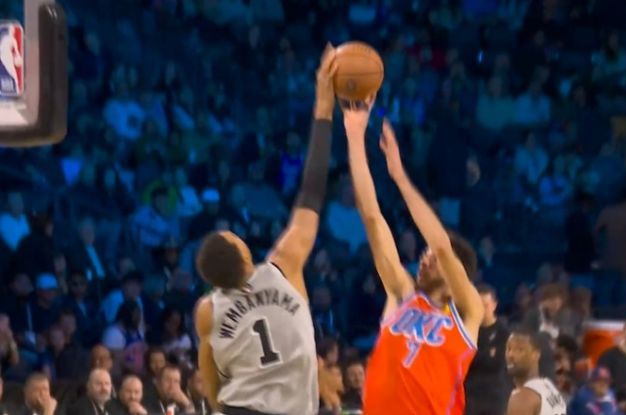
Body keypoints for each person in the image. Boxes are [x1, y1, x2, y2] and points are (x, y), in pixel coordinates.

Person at [193, 44, 337, 415]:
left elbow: (211, 385)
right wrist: (324, 106)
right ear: (243, 252)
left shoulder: (207, 310)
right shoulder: (282, 267)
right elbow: (312, 190)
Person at [343, 105, 484, 414]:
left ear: (456, 271)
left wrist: (400, 177)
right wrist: (354, 136)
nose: (424, 260)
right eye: (423, 256)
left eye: (430, 259)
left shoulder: (467, 312)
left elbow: (442, 246)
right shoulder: (402, 294)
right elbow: (372, 216)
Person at [465, 284, 511, 415]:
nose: (482, 310)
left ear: (494, 305)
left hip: (495, 400)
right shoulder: (467, 330)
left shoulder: (504, 333)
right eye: (478, 305)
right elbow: (463, 361)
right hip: (470, 398)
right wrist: (487, 354)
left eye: (486, 305)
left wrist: (476, 355)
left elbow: (497, 362)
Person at [505, 329, 566, 415]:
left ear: (536, 354)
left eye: (519, 350)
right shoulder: (550, 387)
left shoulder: (523, 399)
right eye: (509, 349)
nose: (511, 355)